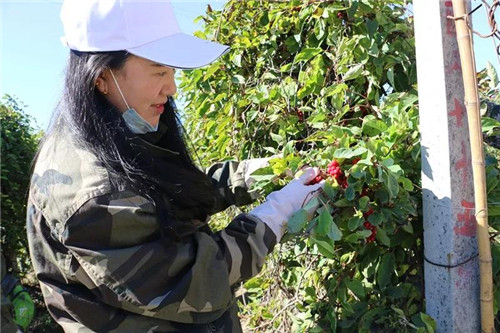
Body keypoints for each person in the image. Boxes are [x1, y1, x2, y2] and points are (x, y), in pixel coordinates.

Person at [26, 1, 323, 332]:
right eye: (158, 71)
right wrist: (277, 215)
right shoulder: (93, 195)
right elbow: (195, 282)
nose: (171, 88)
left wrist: (263, 173)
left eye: (171, 72)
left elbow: (174, 193)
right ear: (102, 76)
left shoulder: (120, 130)